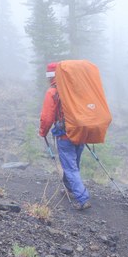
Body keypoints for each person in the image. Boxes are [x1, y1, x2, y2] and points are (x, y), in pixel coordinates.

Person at [38, 62, 91, 210]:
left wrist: (43, 132)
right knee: (73, 164)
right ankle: (69, 188)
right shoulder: (74, 89)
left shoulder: (53, 92)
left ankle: (82, 198)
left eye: (49, 76)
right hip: (81, 133)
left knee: (70, 167)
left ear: (52, 76)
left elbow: (47, 117)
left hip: (65, 135)